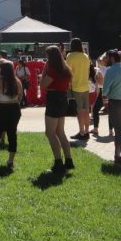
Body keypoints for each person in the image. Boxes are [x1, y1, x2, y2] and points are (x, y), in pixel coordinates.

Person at [41, 45, 74, 173]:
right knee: (60, 131)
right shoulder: (65, 68)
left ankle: (58, 162)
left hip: (54, 98)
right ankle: (69, 161)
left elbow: (43, 85)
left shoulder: (53, 69)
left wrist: (45, 69)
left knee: (50, 133)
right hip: (62, 98)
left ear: (50, 56)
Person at [0, 60, 23, 169]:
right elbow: (21, 96)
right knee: (12, 134)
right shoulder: (17, 80)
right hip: (15, 108)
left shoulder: (0, 81)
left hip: (2, 108)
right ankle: (10, 161)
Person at [101, 49, 121, 167]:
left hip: (115, 103)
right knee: (120, 130)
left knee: (120, 131)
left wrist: (105, 101)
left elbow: (105, 89)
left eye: (107, 58)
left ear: (112, 58)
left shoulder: (110, 70)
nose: (105, 60)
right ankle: (117, 156)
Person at [66, 38, 91, 140]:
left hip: (75, 87)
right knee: (86, 110)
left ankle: (81, 132)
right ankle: (87, 131)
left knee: (79, 111)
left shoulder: (70, 56)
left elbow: (68, 72)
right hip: (85, 86)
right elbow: (88, 71)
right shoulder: (86, 56)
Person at [90, 55, 106, 136]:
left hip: (101, 91)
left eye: (100, 60)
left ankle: (95, 128)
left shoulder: (100, 70)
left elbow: (99, 83)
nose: (98, 61)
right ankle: (111, 130)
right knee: (111, 111)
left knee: (95, 110)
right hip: (109, 91)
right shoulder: (109, 69)